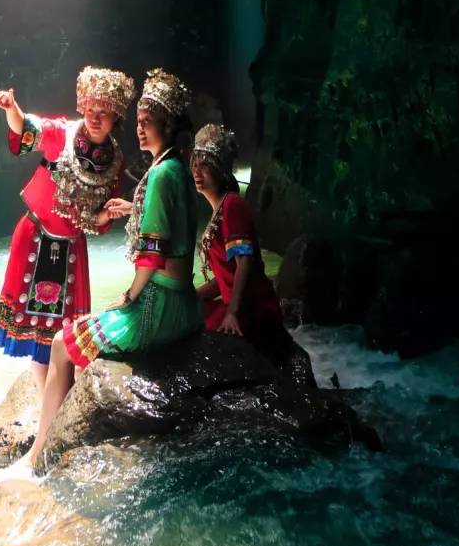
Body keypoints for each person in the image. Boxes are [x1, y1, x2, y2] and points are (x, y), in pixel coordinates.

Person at [28, 68, 203, 471]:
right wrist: (133, 206)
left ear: (167, 125)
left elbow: (152, 253)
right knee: (82, 337)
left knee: (61, 344)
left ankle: (40, 451)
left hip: (159, 307)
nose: (140, 129)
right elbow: (167, 223)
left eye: (148, 121)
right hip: (184, 302)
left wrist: (130, 297)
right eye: (138, 121)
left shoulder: (161, 175)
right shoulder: (177, 167)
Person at [0, 65, 135, 406]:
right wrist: (12, 108)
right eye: (90, 109)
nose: (95, 118)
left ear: (115, 117)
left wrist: (107, 214)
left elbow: (93, 220)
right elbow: (28, 128)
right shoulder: (62, 134)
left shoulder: (115, 161)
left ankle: (58, 397)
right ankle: (47, 402)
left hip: (71, 247)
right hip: (36, 236)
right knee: (38, 326)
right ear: (82, 106)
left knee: (63, 328)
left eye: (103, 112)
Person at [192, 123, 291, 366]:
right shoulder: (220, 209)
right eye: (195, 164)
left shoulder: (232, 205)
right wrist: (193, 295)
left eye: (205, 165)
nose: (197, 171)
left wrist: (232, 314)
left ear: (220, 169)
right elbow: (226, 276)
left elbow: (244, 262)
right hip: (235, 304)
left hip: (251, 309)